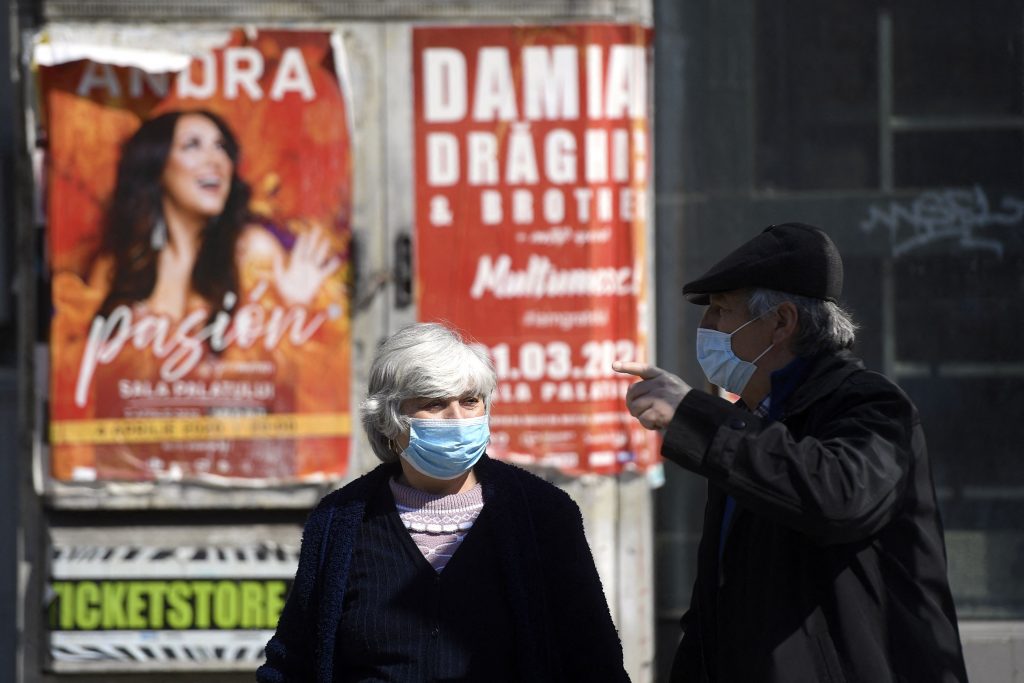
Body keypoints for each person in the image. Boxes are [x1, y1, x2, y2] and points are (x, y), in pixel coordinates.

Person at [614, 223, 968, 682]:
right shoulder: (748, 421)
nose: (706, 329)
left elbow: (837, 496)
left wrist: (696, 416)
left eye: (721, 310)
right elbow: (715, 609)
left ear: (781, 322)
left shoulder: (871, 405)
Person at [257, 322, 630, 682]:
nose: (457, 418)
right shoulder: (338, 522)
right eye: (434, 404)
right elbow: (293, 662)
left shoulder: (543, 514)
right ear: (389, 420)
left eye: (470, 401)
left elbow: (593, 658)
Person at [50, 109, 345, 480]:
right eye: (193, 145)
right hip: (139, 476)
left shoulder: (252, 252)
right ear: (157, 167)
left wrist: (295, 309)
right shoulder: (119, 268)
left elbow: (289, 392)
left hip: (240, 467)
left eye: (221, 147)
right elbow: (88, 387)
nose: (215, 160)